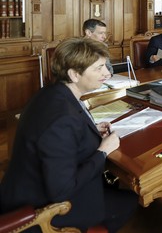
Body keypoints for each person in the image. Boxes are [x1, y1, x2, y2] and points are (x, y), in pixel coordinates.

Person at [0, 38, 138, 232]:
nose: (107, 73)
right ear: (74, 74)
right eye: (99, 68)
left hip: (27, 184)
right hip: (42, 206)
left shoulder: (52, 92)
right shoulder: (61, 120)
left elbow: (62, 132)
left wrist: (90, 129)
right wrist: (103, 151)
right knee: (131, 200)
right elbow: (61, 191)